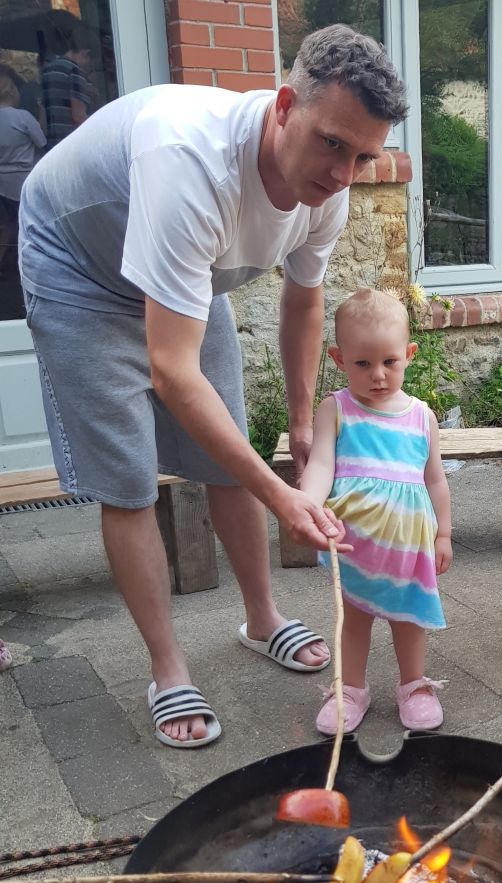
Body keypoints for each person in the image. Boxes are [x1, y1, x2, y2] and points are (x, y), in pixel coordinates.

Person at [18, 25, 408, 747]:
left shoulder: (331, 186)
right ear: (285, 105)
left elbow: (303, 299)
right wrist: (281, 495)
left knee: (229, 455)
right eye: (331, 144)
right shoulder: (189, 160)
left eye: (363, 155)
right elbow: (171, 369)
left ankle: (261, 619)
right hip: (80, 268)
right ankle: (168, 669)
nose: (343, 173)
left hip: (191, 274)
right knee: (129, 479)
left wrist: (297, 422)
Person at [299, 289, 452, 734]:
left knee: (409, 619)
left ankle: (414, 685)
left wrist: (443, 533)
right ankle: (349, 688)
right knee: (353, 620)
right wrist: (308, 505)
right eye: (362, 363)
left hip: (408, 548)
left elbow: (435, 478)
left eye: (389, 361)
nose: (378, 375)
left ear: (409, 354)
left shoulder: (421, 416)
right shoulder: (336, 409)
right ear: (338, 358)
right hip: (355, 545)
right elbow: (322, 463)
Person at [0, 70, 44, 277]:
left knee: (10, 223)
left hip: (2, 180)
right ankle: (30, 266)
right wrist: (41, 111)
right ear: (12, 92)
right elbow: (41, 141)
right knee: (29, 223)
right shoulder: (23, 117)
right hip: (23, 178)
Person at [40, 38, 94, 149]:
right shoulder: (75, 71)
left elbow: (42, 112)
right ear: (85, 53)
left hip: (52, 144)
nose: (88, 65)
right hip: (71, 144)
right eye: (89, 61)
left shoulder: (48, 70)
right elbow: (78, 116)